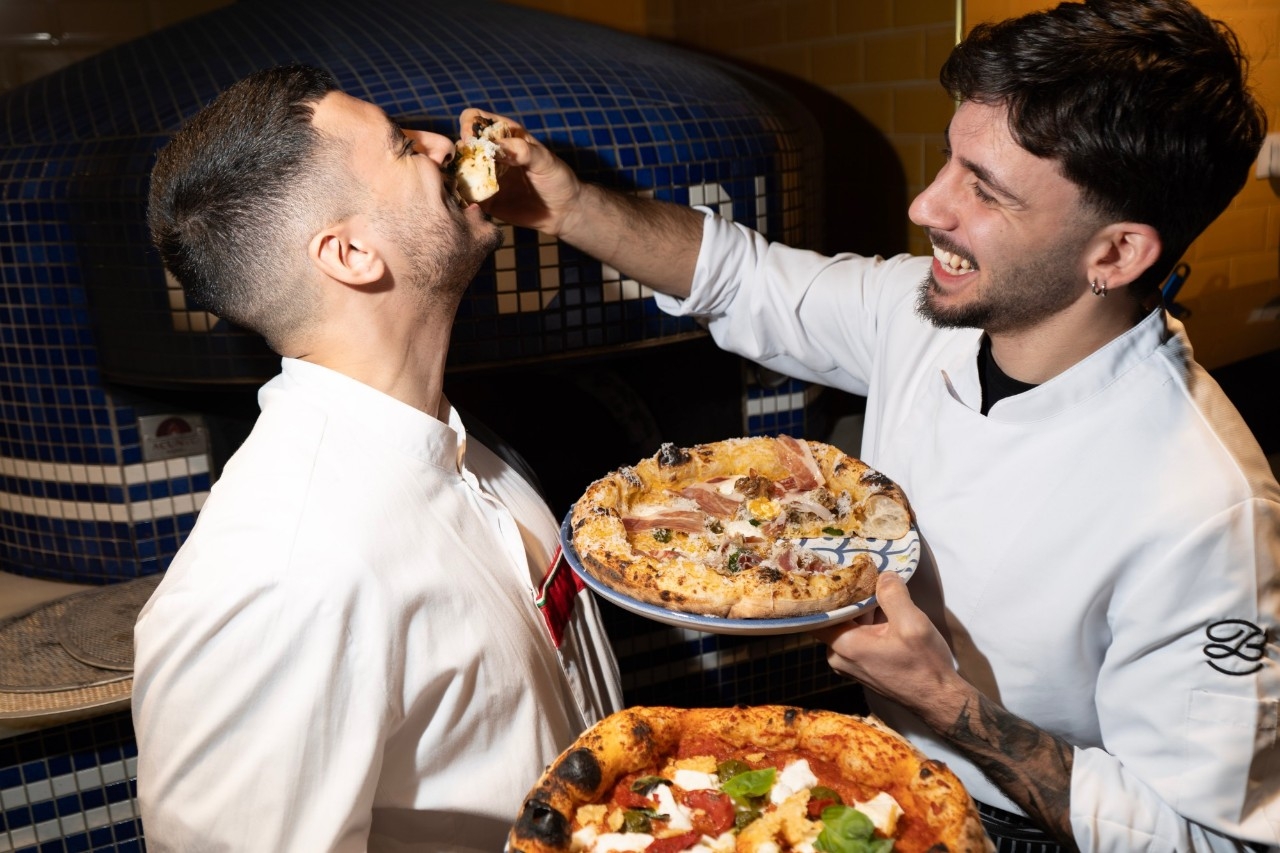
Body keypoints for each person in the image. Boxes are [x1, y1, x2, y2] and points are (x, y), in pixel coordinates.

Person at [460, 0, 1280, 850]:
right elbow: (741, 279)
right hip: (871, 760)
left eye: (984, 191)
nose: (928, 205)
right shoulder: (922, 311)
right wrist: (566, 207)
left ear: (1115, 254)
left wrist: (949, 703)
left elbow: (1213, 839)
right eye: (949, 162)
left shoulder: (1205, 510)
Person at [132, 64, 623, 853]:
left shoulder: (471, 456)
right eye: (400, 144)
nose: (437, 142)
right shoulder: (280, 573)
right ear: (351, 253)